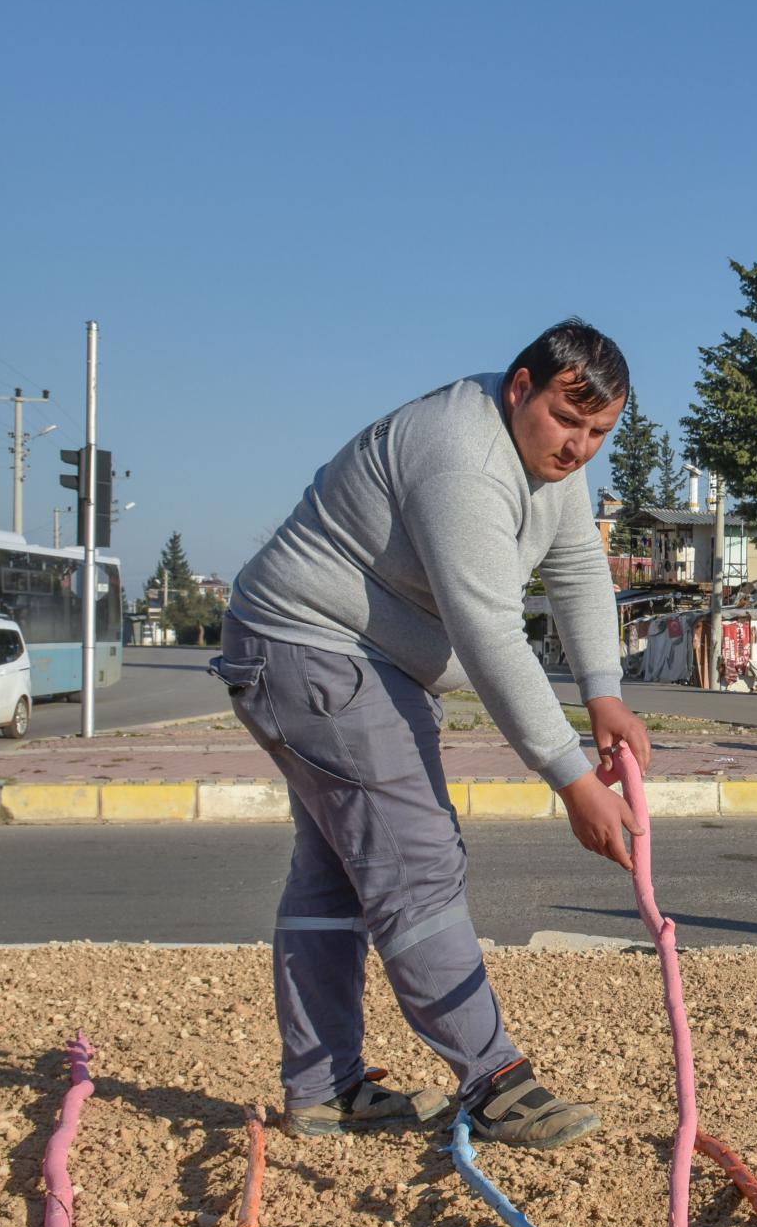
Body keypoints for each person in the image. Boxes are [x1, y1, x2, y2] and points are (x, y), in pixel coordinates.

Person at [215, 320, 653, 1145]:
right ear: (520, 387)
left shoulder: (545, 458)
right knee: (415, 860)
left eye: (599, 433)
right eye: (568, 421)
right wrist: (570, 777)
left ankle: (323, 1089)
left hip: (333, 655)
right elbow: (490, 631)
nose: (579, 448)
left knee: (337, 876)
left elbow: (575, 565)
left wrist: (603, 692)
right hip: (316, 651)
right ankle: (495, 1082)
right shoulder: (464, 459)